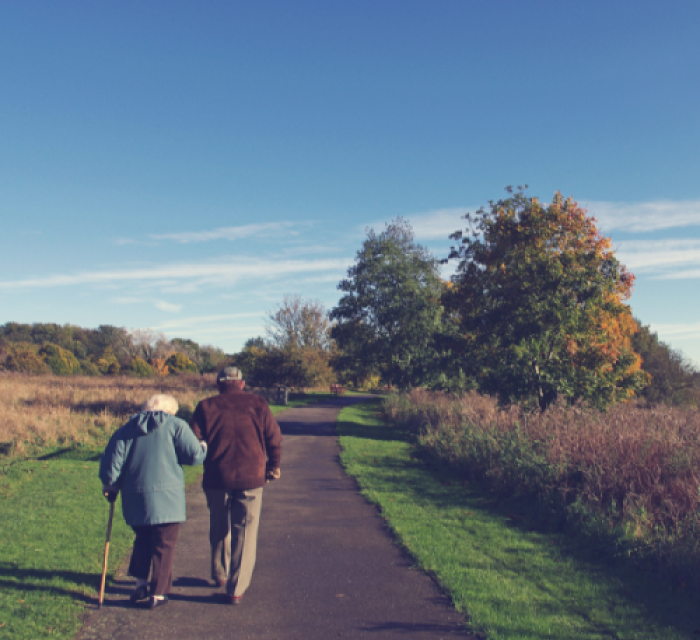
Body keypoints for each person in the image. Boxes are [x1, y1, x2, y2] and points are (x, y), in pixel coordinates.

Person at [99, 394, 207, 610]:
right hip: (167, 498)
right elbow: (194, 456)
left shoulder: (126, 429)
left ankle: (140, 584)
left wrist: (110, 485)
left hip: (135, 497)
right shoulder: (176, 425)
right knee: (164, 543)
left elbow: (112, 464)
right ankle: (158, 592)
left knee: (143, 538)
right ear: (170, 410)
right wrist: (203, 446)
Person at [190, 366, 282, 605]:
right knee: (246, 531)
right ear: (242, 384)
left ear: (218, 385)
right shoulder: (258, 404)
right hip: (251, 476)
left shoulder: (205, 406)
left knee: (219, 525)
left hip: (216, 476)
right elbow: (274, 437)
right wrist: (274, 465)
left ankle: (219, 573)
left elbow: (194, 440)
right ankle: (236, 587)